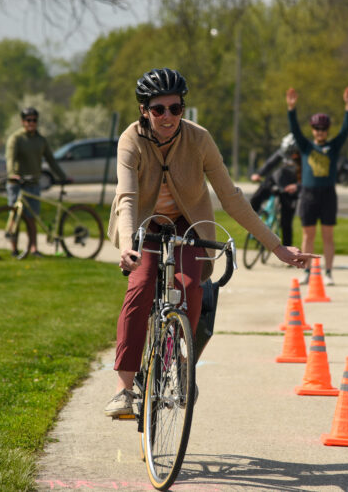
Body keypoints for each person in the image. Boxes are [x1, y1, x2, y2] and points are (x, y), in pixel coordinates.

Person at [105, 68, 315, 417]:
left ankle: (180, 366)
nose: (168, 116)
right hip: (144, 227)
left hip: (190, 227)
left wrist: (277, 247)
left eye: (176, 108)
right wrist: (129, 243)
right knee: (140, 287)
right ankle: (123, 390)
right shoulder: (130, 140)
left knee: (193, 289)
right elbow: (126, 197)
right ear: (144, 110)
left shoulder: (199, 139)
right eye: (159, 109)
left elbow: (231, 198)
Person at [286, 87, 348, 286]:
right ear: (313, 130)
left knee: (327, 235)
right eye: (317, 129)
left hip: (327, 195)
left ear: (327, 131)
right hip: (308, 195)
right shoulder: (306, 146)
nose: (320, 132)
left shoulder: (333, 147)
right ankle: (306, 272)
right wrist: (291, 109)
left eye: (323, 129)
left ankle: (329, 272)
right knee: (307, 235)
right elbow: (295, 130)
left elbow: (346, 130)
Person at [5, 107, 68, 257]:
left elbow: (51, 160)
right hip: (17, 183)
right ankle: (14, 249)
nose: (31, 123)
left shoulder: (41, 140)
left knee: (31, 218)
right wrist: (12, 174)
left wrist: (62, 176)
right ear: (23, 122)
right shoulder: (16, 138)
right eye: (28, 120)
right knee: (15, 217)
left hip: (33, 183)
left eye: (34, 120)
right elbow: (10, 158)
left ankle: (33, 248)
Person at [249, 133, 301, 247]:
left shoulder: (304, 157)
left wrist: (297, 186)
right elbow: (270, 163)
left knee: (286, 222)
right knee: (255, 199)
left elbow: (307, 177)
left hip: (290, 188)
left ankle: (288, 248)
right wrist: (258, 174)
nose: (289, 157)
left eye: (292, 154)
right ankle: (252, 224)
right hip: (276, 180)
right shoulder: (282, 152)